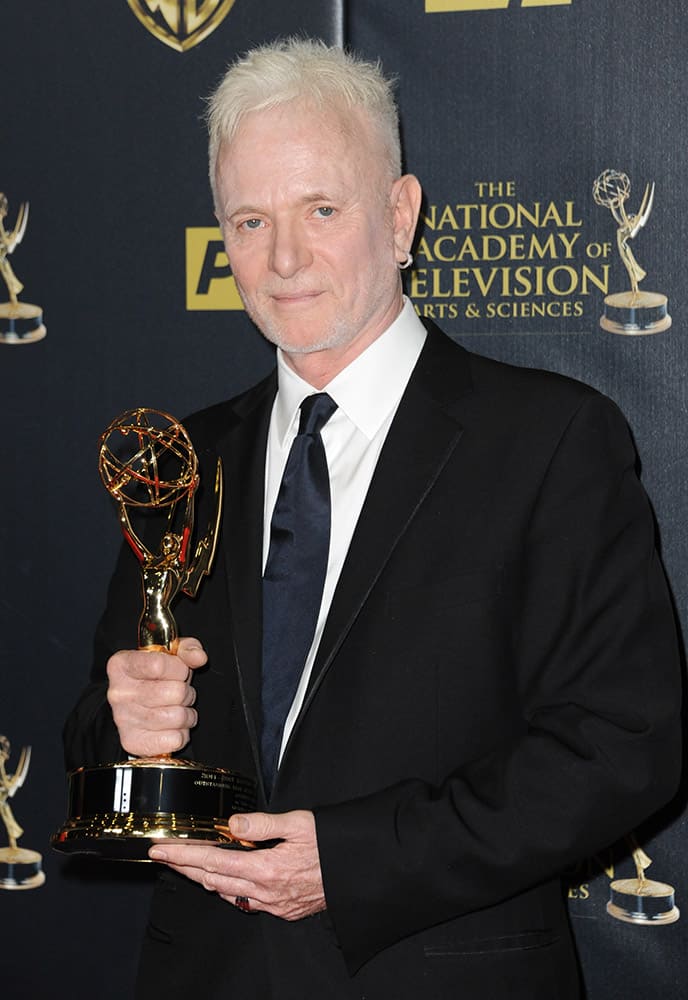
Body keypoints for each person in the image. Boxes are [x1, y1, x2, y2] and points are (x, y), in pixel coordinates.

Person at [63, 38, 682, 999]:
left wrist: (353, 861)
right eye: (250, 220)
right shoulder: (182, 461)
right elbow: (97, 749)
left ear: (400, 216)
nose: (285, 258)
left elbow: (622, 746)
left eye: (322, 209)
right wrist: (127, 728)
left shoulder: (549, 441)